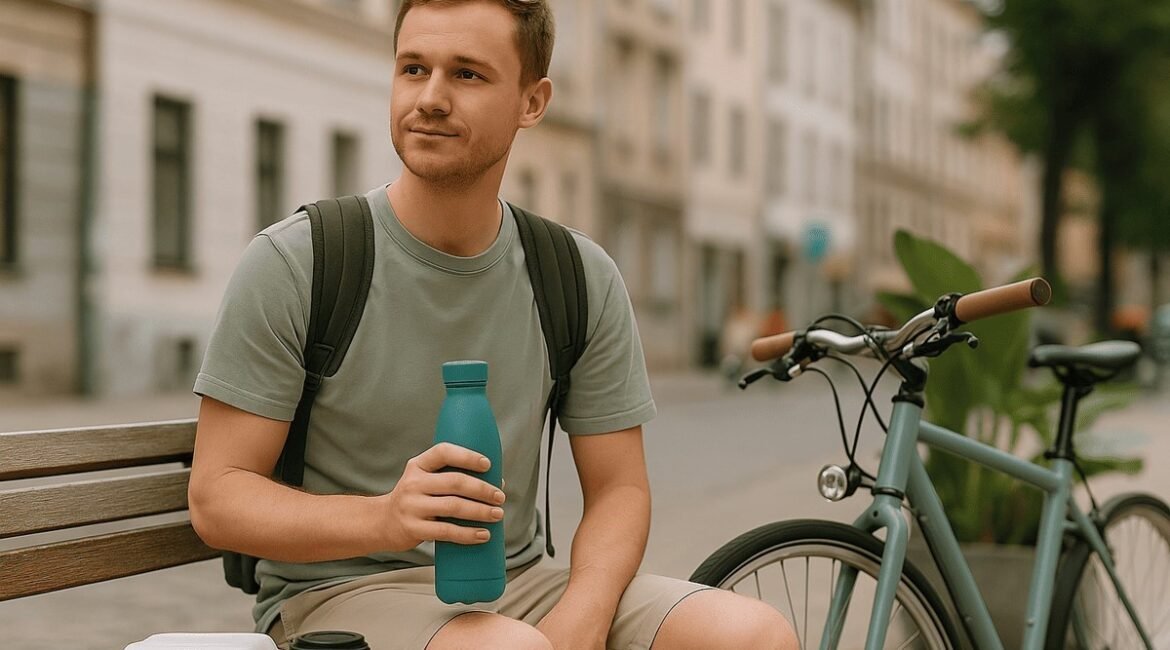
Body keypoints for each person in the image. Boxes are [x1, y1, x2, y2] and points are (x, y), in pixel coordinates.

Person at [188, 1, 797, 648]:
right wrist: (386, 519)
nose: (430, 97)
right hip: (340, 595)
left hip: (522, 585)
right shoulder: (299, 262)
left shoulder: (575, 274)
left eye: (468, 75)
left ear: (532, 102)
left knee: (754, 633)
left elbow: (620, 488)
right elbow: (217, 497)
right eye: (413, 68)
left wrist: (585, 613)